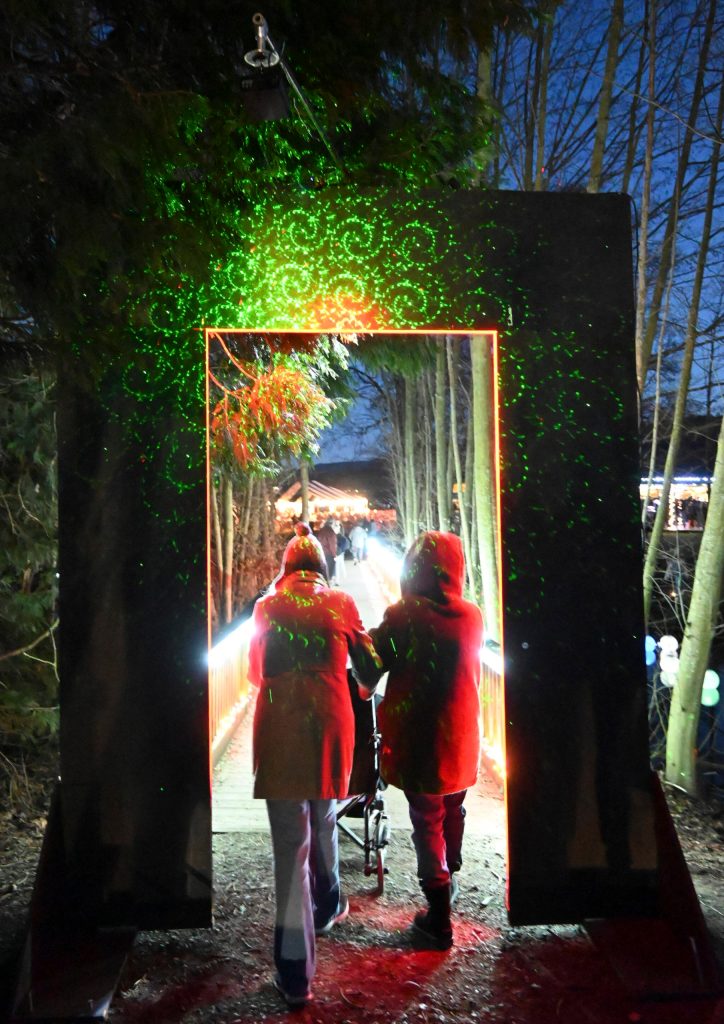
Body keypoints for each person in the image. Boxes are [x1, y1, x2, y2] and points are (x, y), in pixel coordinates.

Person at [248, 523, 381, 1007]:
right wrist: (357, 689)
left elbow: (254, 674)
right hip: (331, 729)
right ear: (323, 568)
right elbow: (370, 666)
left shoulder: (266, 607)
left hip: (280, 732)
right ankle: (328, 901)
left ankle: (295, 973)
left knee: (290, 850)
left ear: (285, 569)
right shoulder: (341, 603)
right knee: (325, 813)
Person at [370, 531, 483, 949]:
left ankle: (438, 916)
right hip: (462, 735)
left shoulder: (404, 614)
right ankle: (451, 878)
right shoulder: (473, 616)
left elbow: (374, 661)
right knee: (454, 806)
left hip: (421, 739)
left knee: (427, 819)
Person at [314, 518, 338, 583]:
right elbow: (332, 544)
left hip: (321, 553)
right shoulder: (330, 532)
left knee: (323, 573)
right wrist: (334, 555)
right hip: (328, 554)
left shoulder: (321, 531)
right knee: (329, 574)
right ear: (331, 524)